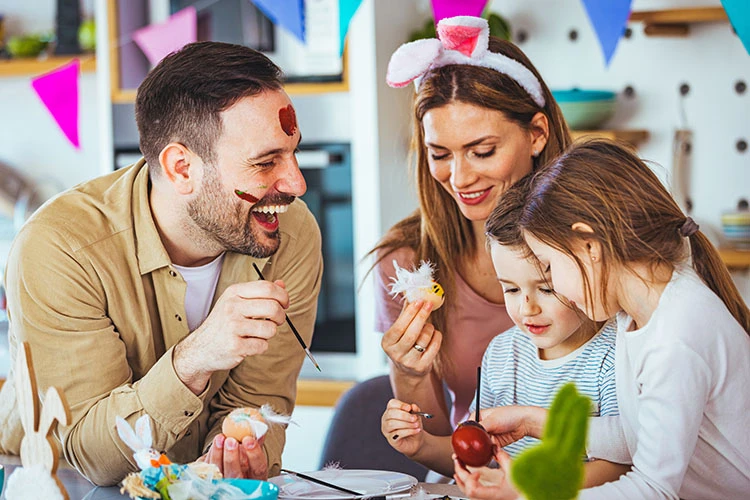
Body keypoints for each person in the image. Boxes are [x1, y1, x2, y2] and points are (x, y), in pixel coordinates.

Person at [0, 41, 323, 486]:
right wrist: (196, 356)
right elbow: (95, 458)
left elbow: (260, 399)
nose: (297, 183)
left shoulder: (291, 232)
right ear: (181, 168)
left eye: (294, 154)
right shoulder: (60, 247)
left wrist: (237, 454)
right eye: (266, 162)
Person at [454, 139, 750, 499]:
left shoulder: (677, 336)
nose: (557, 285)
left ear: (589, 246)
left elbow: (652, 490)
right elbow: (634, 436)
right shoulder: (636, 315)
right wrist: (532, 422)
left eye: (549, 267)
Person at [372, 15, 572, 445]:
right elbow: (436, 440)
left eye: (482, 151)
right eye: (439, 153)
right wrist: (408, 374)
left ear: (537, 134)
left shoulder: (591, 241)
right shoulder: (408, 262)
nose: (460, 179)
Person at [381, 185, 628, 487]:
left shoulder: (616, 353)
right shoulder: (503, 351)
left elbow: (620, 466)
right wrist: (421, 445)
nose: (528, 307)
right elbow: (475, 452)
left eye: (547, 289)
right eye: (511, 289)